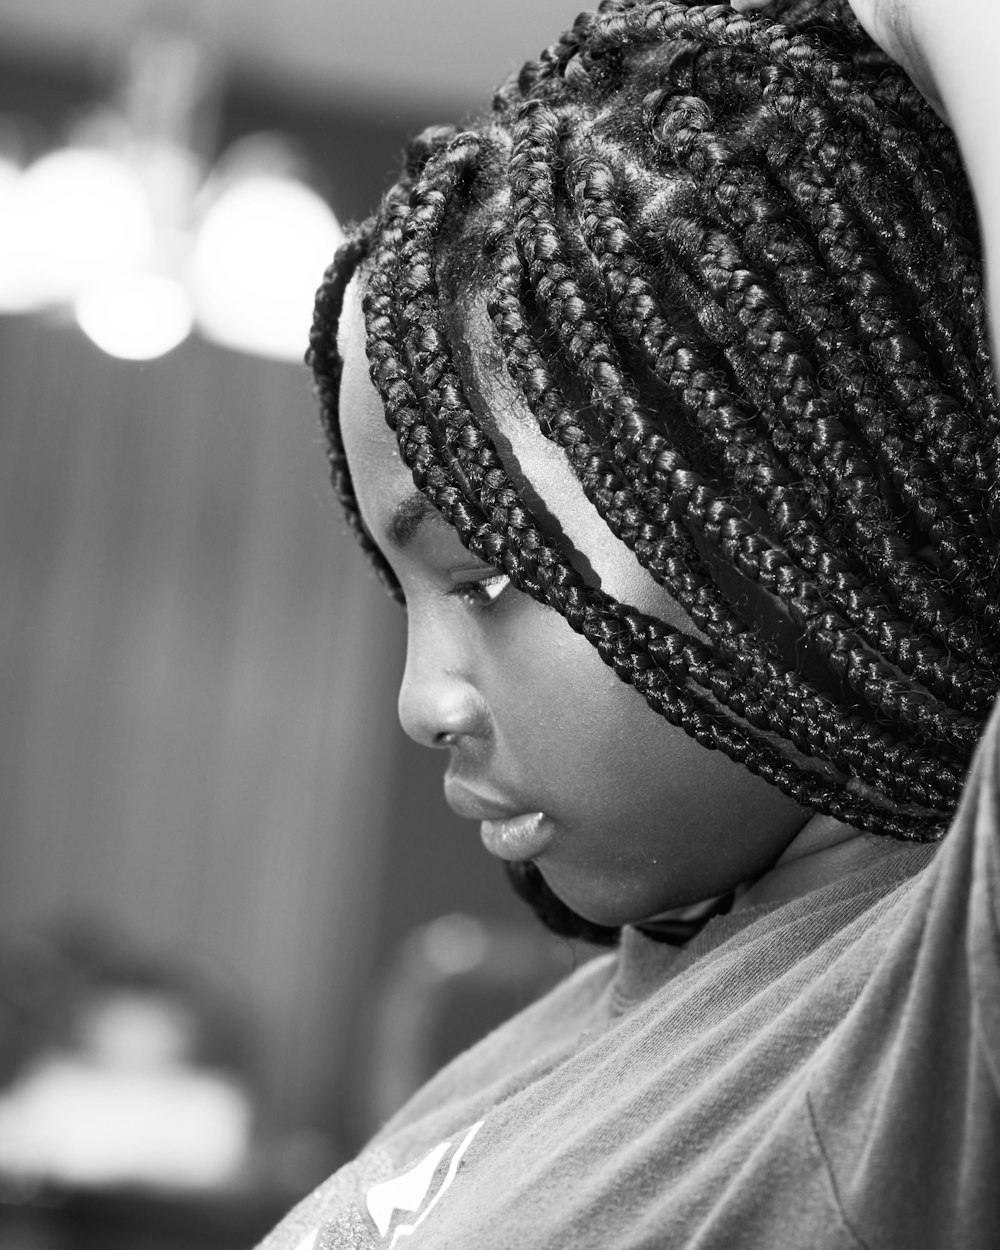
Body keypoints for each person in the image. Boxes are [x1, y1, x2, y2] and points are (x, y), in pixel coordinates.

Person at [261, 0, 1000, 1245]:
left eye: (486, 577)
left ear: (791, 509)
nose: (421, 700)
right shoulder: (599, 1016)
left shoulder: (909, 1033)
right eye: (408, 595)